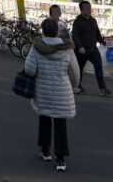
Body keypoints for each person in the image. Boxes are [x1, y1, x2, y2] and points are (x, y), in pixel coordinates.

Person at [25, 18, 79, 172]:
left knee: (45, 118)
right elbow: (75, 72)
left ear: (42, 31)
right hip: (62, 90)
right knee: (60, 123)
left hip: (43, 88)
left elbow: (29, 69)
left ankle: (45, 150)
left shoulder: (37, 47)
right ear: (57, 31)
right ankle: (61, 159)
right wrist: (74, 85)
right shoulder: (67, 48)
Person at [71, 0, 111, 95]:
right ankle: (77, 85)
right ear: (81, 10)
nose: (89, 10)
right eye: (86, 8)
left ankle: (102, 88)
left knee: (98, 67)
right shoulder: (77, 22)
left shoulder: (93, 20)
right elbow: (75, 35)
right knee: (79, 69)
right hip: (81, 50)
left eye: (89, 8)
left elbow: (97, 33)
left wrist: (102, 41)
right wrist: (80, 47)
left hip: (93, 49)